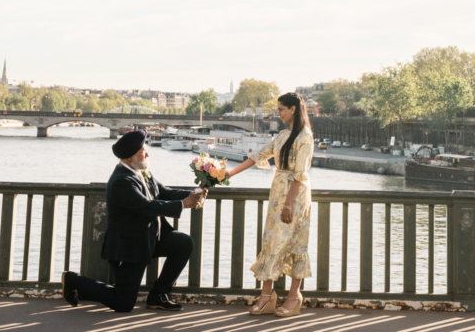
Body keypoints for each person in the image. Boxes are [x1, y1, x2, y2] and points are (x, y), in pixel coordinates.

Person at [61, 129, 207, 312]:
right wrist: (183, 204)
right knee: (124, 304)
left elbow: (163, 192)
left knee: (184, 243)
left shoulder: (142, 172)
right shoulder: (122, 181)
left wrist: (192, 194)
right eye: (142, 151)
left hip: (148, 238)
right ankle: (75, 281)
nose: (147, 153)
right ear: (130, 157)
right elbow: (147, 207)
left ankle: (158, 295)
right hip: (129, 247)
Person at [221, 92, 314, 318]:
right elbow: (259, 156)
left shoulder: (305, 137)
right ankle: (267, 296)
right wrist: (229, 174)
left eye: (281, 109)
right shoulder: (283, 135)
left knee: (294, 243)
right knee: (272, 242)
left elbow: (300, 175)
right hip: (278, 193)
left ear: (293, 109)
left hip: (294, 196)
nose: (278, 113)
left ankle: (293, 297)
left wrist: (288, 204)